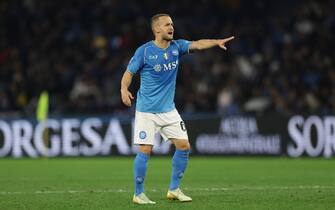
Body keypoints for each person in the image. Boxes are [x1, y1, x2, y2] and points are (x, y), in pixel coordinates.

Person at [120, 13, 234, 204]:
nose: (171, 27)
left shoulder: (177, 47)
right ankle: (138, 194)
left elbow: (197, 44)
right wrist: (124, 89)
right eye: (166, 25)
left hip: (169, 110)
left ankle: (174, 189)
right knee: (145, 149)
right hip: (147, 110)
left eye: (172, 24)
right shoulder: (145, 51)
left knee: (184, 146)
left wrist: (216, 41)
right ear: (157, 29)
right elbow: (128, 73)